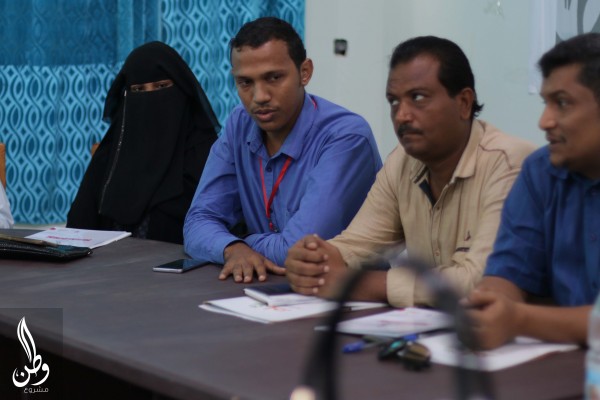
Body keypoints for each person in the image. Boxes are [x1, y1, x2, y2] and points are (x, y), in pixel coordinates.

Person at [285, 36, 535, 307]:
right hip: (430, 326)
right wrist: (314, 261)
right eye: (394, 101)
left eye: (418, 98)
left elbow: (484, 282)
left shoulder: (510, 163)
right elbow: (357, 244)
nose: (402, 115)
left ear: (463, 103)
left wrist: (357, 284)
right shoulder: (403, 161)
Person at [183, 17, 382, 283]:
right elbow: (198, 222)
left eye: (274, 78)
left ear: (305, 72)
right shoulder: (239, 124)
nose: (260, 96)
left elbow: (299, 249)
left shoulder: (345, 137)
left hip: (352, 294)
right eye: (245, 82)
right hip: (268, 291)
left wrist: (241, 241)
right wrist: (231, 248)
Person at [464, 32, 600, 350]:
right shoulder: (541, 172)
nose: (544, 121)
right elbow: (509, 271)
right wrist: (490, 307)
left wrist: (519, 319)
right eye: (545, 103)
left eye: (562, 103)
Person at [67, 41, 219, 244]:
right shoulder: (112, 156)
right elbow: (77, 228)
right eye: (138, 90)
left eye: (161, 86)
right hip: (108, 264)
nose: (150, 98)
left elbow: (221, 228)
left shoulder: (206, 156)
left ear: (183, 89)